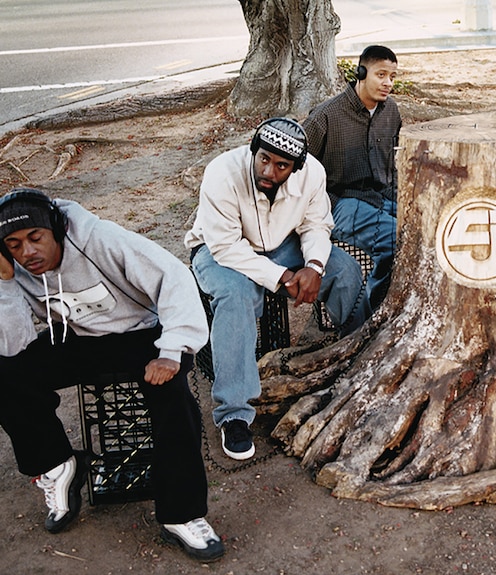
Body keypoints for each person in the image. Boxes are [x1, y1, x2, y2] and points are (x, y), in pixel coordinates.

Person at [0, 188, 224, 561]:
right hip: (82, 339)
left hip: (145, 335)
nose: (27, 253)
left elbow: (174, 277)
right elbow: (15, 345)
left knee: (174, 403)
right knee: (6, 373)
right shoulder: (18, 268)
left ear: (55, 228)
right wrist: (5, 285)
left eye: (35, 238)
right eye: (14, 244)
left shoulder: (100, 239)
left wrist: (171, 352)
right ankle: (56, 465)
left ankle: (182, 515)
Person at [185, 117, 368, 461]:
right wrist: (284, 276)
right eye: (264, 159)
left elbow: (316, 224)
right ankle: (234, 414)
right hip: (218, 249)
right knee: (235, 296)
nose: (269, 171)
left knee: (344, 270)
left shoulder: (312, 173)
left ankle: (358, 362)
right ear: (254, 151)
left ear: (296, 168)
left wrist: (313, 266)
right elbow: (224, 246)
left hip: (281, 243)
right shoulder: (221, 173)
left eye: (281, 165)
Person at [302, 44, 401, 311]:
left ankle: (386, 304)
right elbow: (296, 166)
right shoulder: (325, 116)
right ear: (360, 73)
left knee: (421, 227)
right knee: (395, 238)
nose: (387, 83)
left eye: (392, 77)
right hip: (340, 201)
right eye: (381, 75)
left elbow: (392, 166)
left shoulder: (391, 112)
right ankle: (376, 313)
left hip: (382, 194)